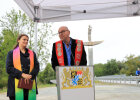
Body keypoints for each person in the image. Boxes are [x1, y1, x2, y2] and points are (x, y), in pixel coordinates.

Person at [6, 34, 39, 100]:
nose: (26, 41)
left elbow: (37, 67)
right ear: (18, 40)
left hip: (29, 85)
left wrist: (30, 76)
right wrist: (22, 74)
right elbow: (9, 68)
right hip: (15, 87)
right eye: (24, 39)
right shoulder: (11, 53)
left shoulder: (32, 54)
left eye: (27, 40)